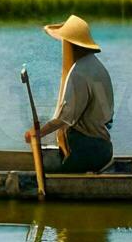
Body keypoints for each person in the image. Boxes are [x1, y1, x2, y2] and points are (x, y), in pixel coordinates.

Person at [23, 15, 114, 173]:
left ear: (71, 45)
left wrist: (37, 133)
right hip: (105, 148)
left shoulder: (79, 72)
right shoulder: (99, 68)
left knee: (47, 170)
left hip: (88, 151)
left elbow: (65, 118)